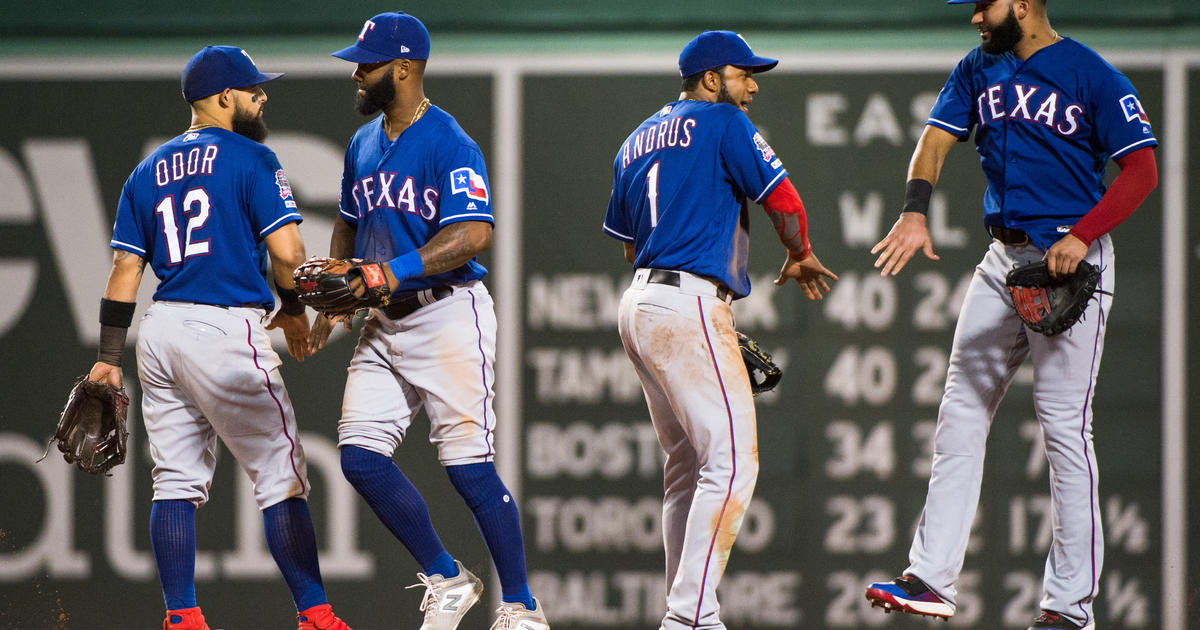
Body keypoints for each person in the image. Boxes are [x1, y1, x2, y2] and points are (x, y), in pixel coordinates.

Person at [863, 1, 1158, 629]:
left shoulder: (1092, 75)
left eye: (983, 4)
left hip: (1071, 263)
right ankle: (931, 578)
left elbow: (1142, 170)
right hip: (1004, 260)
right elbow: (934, 142)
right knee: (960, 410)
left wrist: (1083, 235)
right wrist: (915, 209)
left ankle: (1069, 610)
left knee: (1064, 432)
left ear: (1022, 3)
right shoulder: (978, 68)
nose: (974, 17)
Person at [84, 46, 354, 630]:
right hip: (224, 326)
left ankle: (181, 616)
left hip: (159, 333)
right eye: (253, 88)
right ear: (223, 96)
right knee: (281, 471)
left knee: (175, 479)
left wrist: (108, 359)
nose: (263, 96)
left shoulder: (145, 172)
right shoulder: (253, 158)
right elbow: (288, 253)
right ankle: (315, 615)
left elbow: (124, 272)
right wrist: (291, 307)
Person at [309, 12, 549, 630]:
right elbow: (349, 223)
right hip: (383, 322)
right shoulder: (362, 143)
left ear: (405, 67)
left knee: (467, 466)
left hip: (447, 314)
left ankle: (521, 608)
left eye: (366, 64)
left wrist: (386, 274)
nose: (356, 75)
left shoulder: (449, 141)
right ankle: (446, 576)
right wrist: (340, 293)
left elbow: (474, 232)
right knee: (360, 458)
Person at [602, 31, 838, 630]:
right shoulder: (722, 122)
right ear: (711, 80)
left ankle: (686, 614)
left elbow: (630, 243)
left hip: (640, 302)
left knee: (686, 465)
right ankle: (689, 619)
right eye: (743, 74)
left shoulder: (633, 141)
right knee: (731, 464)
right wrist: (801, 252)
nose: (752, 85)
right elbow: (784, 199)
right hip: (689, 304)